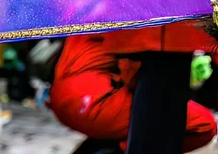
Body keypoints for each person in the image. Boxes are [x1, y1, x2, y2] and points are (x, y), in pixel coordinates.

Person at [49, 28, 217, 154]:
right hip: (94, 100)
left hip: (62, 96)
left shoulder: (96, 1)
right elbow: (134, 69)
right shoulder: (133, 10)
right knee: (203, 124)